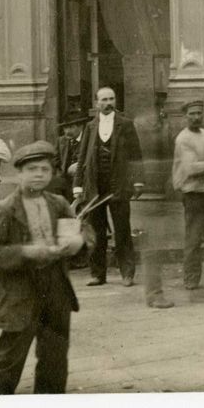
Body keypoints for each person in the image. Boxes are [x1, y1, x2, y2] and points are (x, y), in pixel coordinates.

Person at [0, 141, 87, 395]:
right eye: (32, 169)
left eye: (45, 169)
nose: (39, 174)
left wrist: (79, 241)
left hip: (56, 290)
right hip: (19, 293)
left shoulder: (58, 203)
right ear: (19, 173)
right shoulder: (5, 210)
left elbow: (85, 231)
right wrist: (26, 251)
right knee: (8, 362)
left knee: (55, 361)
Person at [73, 86, 144, 287]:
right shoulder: (90, 127)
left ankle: (127, 273)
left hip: (119, 184)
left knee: (122, 230)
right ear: (96, 103)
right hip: (95, 186)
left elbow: (136, 155)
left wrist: (138, 181)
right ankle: (98, 274)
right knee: (96, 231)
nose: (108, 103)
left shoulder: (126, 124)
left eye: (111, 99)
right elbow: (82, 158)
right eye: (103, 100)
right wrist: (78, 185)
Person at [172, 99, 204, 291]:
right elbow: (191, 168)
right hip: (192, 193)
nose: (196, 117)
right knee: (194, 238)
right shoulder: (183, 139)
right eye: (192, 114)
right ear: (185, 116)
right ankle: (191, 278)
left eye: (199, 113)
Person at [52, 113, 88, 202]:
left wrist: (80, 165)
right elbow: (54, 161)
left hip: (84, 181)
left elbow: (94, 159)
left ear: (80, 127)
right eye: (65, 128)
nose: (67, 131)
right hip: (65, 181)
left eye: (71, 127)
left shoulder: (89, 139)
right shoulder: (61, 141)